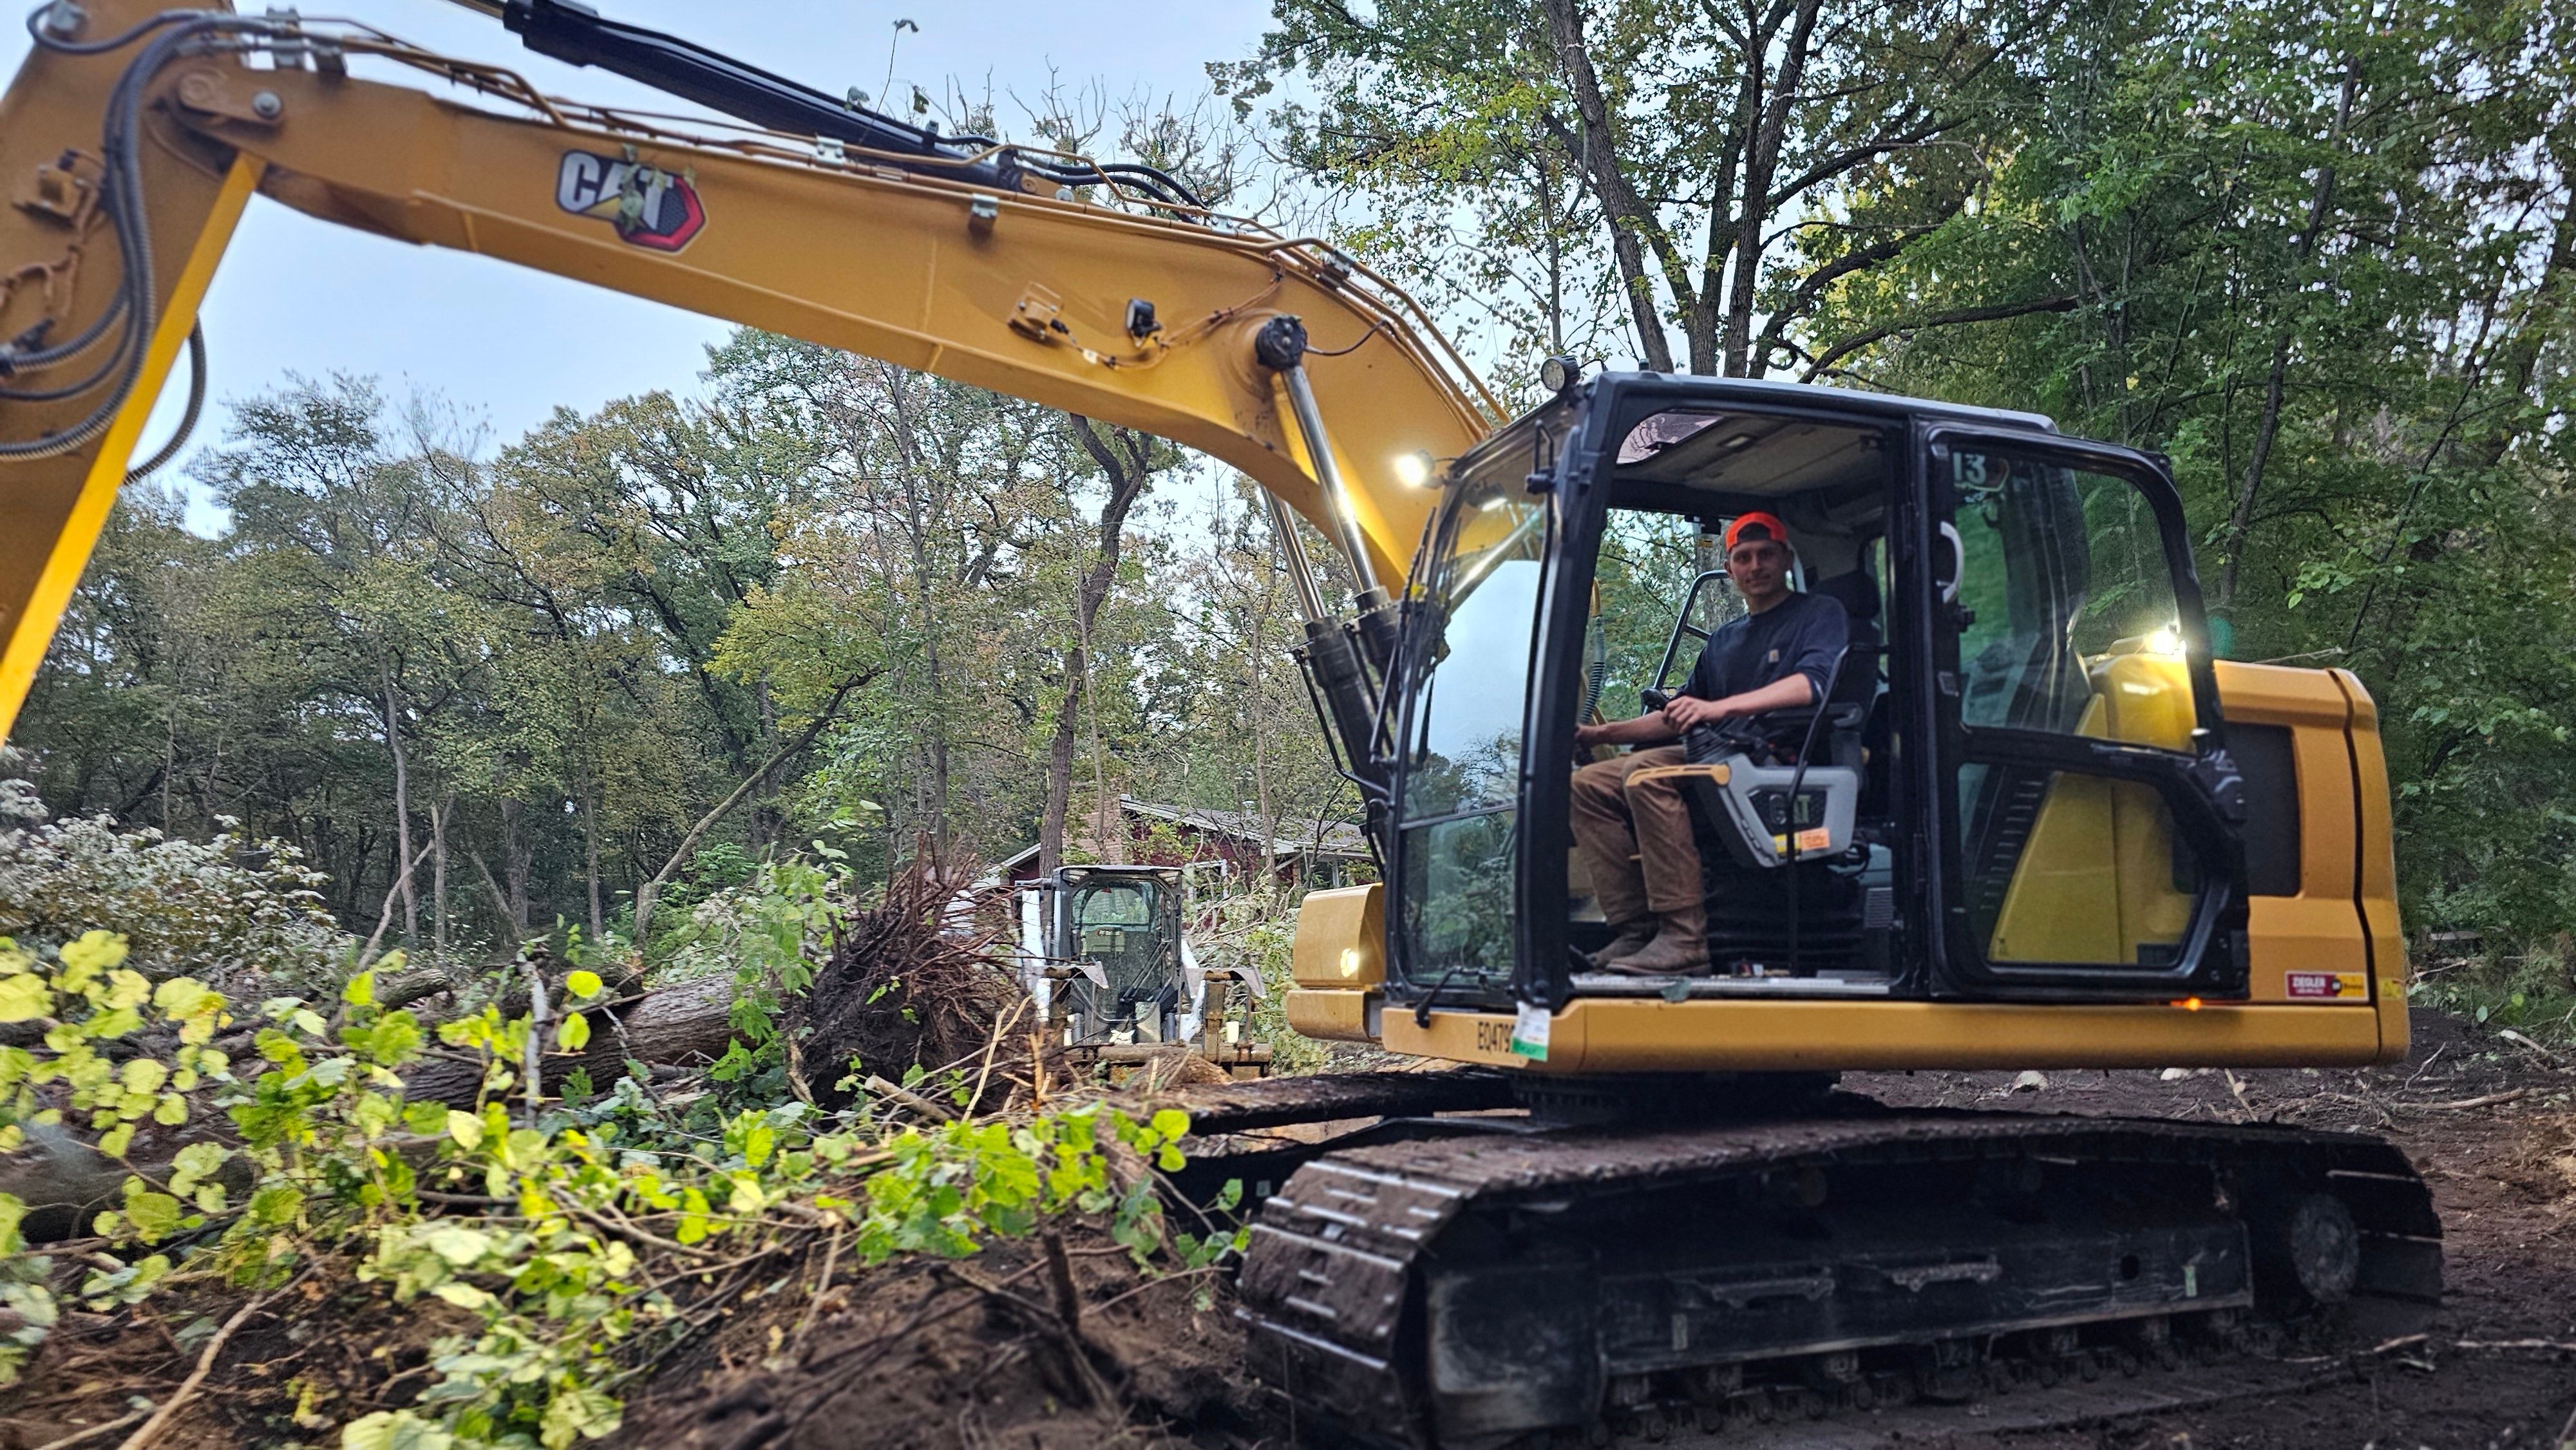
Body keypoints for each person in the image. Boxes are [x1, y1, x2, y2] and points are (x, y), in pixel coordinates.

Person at [1571, 512, 1848, 974]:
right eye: (1743, 557)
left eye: (1765, 555)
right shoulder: (1724, 639)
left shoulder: (1816, 614)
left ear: (1786, 559)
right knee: (1588, 785)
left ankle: (1684, 937)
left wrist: (1717, 710)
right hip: (1717, 754)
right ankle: (1636, 930)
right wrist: (1600, 734)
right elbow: (1680, 716)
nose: (1755, 566)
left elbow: (1812, 686)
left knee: (1647, 774)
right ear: (1731, 567)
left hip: (1777, 758)